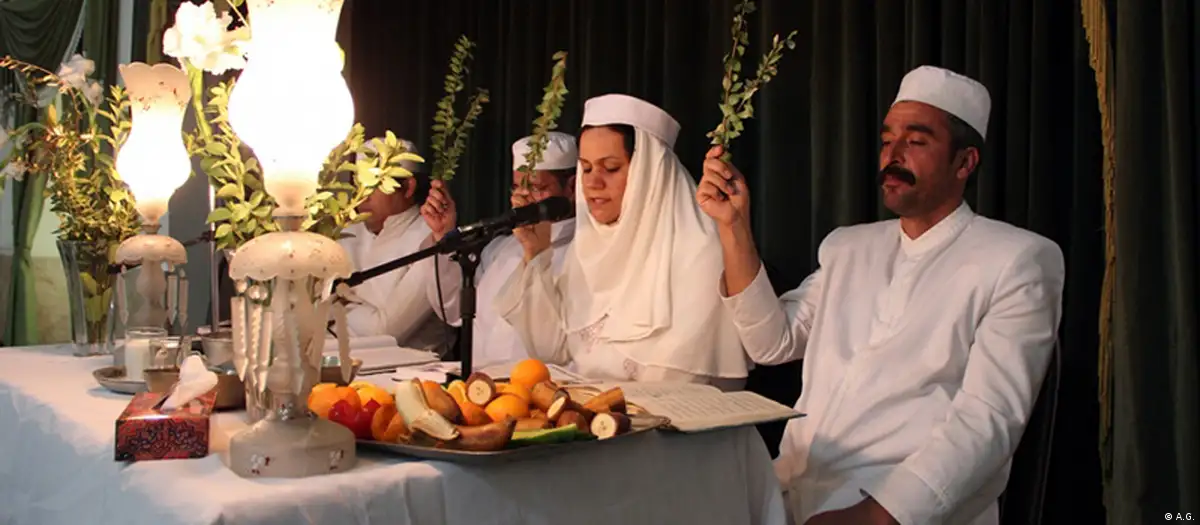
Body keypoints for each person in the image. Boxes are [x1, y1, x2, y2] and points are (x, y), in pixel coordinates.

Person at [697, 65, 1066, 524]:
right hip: (791, 488)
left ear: (965, 162)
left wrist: (876, 516)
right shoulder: (849, 247)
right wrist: (733, 227)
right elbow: (771, 343)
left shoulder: (1017, 260)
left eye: (916, 141)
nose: (892, 155)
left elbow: (988, 420)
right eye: (887, 140)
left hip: (898, 507)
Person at [494, 94, 749, 390]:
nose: (593, 183)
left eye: (611, 168)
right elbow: (552, 350)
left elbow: (679, 385)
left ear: (649, 174)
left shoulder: (696, 253)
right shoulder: (587, 249)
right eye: (586, 168)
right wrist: (537, 252)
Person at [418, 132, 578, 367]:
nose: (523, 198)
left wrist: (536, 253)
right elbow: (455, 310)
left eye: (536, 187)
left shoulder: (582, 252)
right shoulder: (500, 248)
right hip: (480, 382)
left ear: (572, 187)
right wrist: (443, 234)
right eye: (517, 188)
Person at [339, 138, 452, 352]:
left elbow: (384, 333)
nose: (362, 195)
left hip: (406, 368)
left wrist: (338, 307)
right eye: (359, 183)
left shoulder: (431, 238)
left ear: (408, 187)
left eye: (374, 183)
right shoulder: (348, 232)